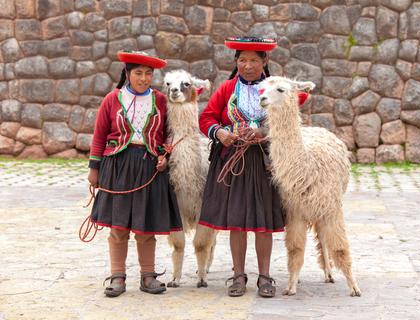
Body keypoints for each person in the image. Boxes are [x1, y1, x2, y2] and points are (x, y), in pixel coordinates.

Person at [87, 50, 182, 297]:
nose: (143, 78)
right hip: (117, 167)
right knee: (118, 226)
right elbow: (99, 136)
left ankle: (147, 276)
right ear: (127, 74)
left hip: (150, 167)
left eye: (148, 74)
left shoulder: (160, 100)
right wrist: (94, 169)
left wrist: (165, 155)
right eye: (138, 73)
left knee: (145, 226)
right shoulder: (112, 99)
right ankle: (118, 276)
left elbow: (169, 134)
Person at [198, 37, 283, 298]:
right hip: (232, 161)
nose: (248, 65)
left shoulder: (276, 89)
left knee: (263, 222)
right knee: (237, 222)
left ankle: (265, 276)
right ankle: (238, 275)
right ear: (236, 62)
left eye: (254, 60)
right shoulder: (226, 89)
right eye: (243, 60)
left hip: (262, 162)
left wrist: (264, 131)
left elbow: (286, 120)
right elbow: (207, 118)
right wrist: (220, 132)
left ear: (264, 61)